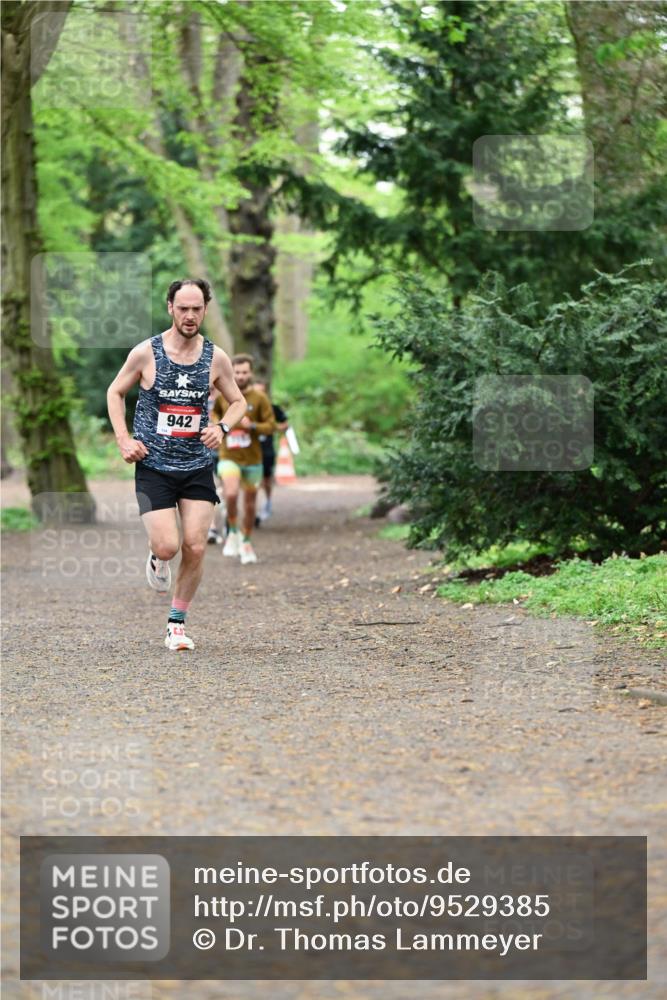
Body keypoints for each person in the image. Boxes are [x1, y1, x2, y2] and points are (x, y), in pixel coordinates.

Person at [107, 278, 246, 651]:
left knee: (197, 547)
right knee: (169, 546)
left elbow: (238, 401)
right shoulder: (146, 353)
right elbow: (115, 391)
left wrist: (222, 426)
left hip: (197, 464)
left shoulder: (215, 357)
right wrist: (124, 439)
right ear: (170, 307)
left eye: (196, 308)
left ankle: (176, 625)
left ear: (205, 309)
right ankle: (157, 555)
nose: (189, 315)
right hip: (153, 465)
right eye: (182, 308)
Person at [213, 355, 275, 564]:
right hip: (229, 456)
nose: (240, 376)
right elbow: (213, 418)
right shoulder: (224, 396)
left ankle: (246, 540)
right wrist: (221, 425)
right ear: (232, 372)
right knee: (230, 494)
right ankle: (232, 531)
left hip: (253, 460)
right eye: (237, 372)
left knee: (249, 505)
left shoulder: (259, 398)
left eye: (244, 372)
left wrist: (253, 426)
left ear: (251, 373)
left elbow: (271, 426)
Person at [253, 380, 289, 523]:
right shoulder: (248, 408)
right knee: (254, 481)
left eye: (261, 391)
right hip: (251, 451)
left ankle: (267, 501)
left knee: (266, 481)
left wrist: (273, 428)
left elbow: (285, 424)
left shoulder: (273, 409)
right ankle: (254, 512)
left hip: (267, 450)